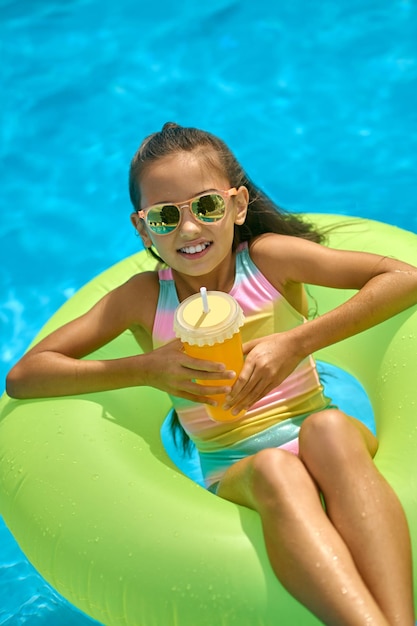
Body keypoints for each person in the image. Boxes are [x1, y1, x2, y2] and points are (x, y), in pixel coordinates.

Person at [6, 122, 417, 626]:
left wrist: (295, 342)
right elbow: (26, 374)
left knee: (327, 429)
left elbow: (404, 278)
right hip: (237, 466)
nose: (189, 230)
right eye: (164, 216)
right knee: (275, 469)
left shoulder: (268, 262)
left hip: (320, 431)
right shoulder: (143, 298)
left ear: (237, 205)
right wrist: (147, 369)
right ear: (143, 228)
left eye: (206, 206)